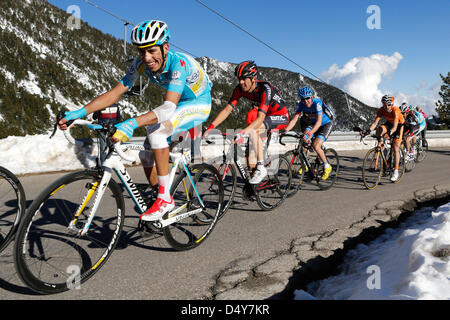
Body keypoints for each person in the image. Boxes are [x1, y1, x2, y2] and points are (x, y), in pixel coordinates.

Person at [58, 19, 212, 221]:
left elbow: (168, 108)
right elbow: (114, 94)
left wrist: (131, 123)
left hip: (197, 103)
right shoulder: (140, 63)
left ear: (165, 47)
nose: (147, 58)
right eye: (142, 51)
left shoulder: (178, 64)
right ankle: (160, 196)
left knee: (157, 133)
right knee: (147, 155)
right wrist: (78, 112)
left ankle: (165, 199)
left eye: (152, 51)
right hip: (177, 103)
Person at [204, 60, 289, 184]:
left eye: (244, 79)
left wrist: (243, 132)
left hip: (280, 116)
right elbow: (228, 109)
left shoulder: (265, 89)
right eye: (239, 79)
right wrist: (211, 127)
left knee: (254, 130)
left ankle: (261, 168)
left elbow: (260, 119)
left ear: (253, 79)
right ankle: (253, 184)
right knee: (250, 153)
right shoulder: (240, 89)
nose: (241, 82)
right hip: (266, 117)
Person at [284, 86, 335, 180]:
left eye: (307, 98)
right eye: (303, 99)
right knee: (304, 143)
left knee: (316, 145)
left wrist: (310, 133)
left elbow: (319, 122)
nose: (305, 101)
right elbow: (295, 119)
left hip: (326, 124)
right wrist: (285, 130)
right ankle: (305, 165)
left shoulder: (317, 103)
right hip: (313, 123)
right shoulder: (301, 105)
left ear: (311, 97)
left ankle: (327, 166)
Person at [361, 94, 404, 182]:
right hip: (389, 124)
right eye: (384, 104)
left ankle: (396, 171)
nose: (386, 106)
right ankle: (381, 147)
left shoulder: (396, 110)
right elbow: (375, 123)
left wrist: (388, 133)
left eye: (388, 104)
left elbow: (395, 127)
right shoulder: (381, 110)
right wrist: (367, 131)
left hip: (398, 125)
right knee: (379, 130)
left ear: (392, 104)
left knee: (396, 147)